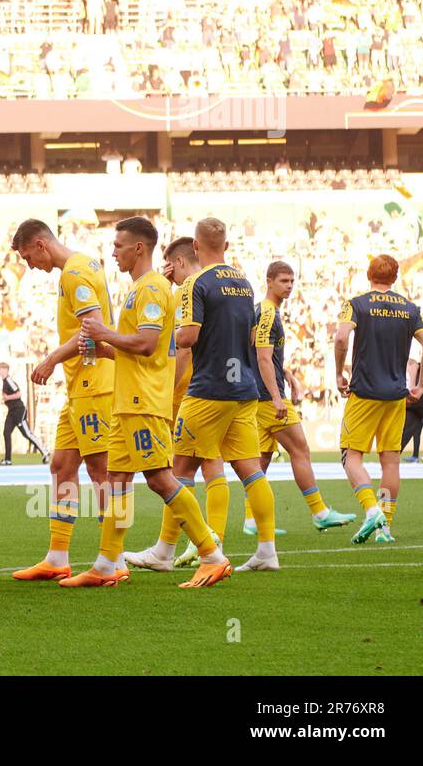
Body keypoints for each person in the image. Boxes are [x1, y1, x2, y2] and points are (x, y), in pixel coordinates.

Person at [63, 216, 230, 587]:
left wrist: (105, 332)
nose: (113, 252)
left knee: (158, 478)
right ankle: (107, 563)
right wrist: (104, 347)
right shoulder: (142, 288)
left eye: (119, 245)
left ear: (139, 248)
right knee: (116, 478)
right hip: (128, 400)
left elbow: (148, 343)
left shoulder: (152, 289)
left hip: (144, 401)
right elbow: (136, 350)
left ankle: (211, 555)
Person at [172, 217, 278, 575]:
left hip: (208, 389)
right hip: (244, 389)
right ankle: (267, 550)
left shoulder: (195, 283)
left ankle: (166, 549)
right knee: (251, 470)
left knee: (179, 470)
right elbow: (250, 336)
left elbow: (187, 337)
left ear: (196, 248)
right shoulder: (244, 283)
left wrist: (160, 338)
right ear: (227, 246)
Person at [8, 219, 113, 583]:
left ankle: (111, 562)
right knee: (61, 466)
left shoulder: (74, 273)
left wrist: (51, 358)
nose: (29, 265)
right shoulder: (81, 265)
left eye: (27, 256)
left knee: (103, 472)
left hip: (95, 385)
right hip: (80, 387)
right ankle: (57, 557)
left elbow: (94, 327)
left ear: (40, 244)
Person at [127, 236, 232, 570]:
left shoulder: (188, 293)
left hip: (186, 393)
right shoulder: (221, 288)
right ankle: (210, 539)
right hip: (222, 388)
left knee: (173, 471)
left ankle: (174, 549)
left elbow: (184, 347)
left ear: (178, 262)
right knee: (212, 465)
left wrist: (165, 388)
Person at [247, 262, 356, 534]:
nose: (289, 286)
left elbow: (260, 352)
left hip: (257, 394)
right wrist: (276, 396)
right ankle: (319, 512)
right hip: (265, 396)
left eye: (292, 281)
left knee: (262, 458)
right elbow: (261, 356)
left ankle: (252, 520)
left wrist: (288, 375)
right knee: (300, 449)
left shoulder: (262, 312)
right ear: (269, 281)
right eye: (284, 280)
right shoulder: (268, 314)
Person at [334, 254, 423, 543]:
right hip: (396, 395)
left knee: (351, 456)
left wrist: (339, 374)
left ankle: (370, 510)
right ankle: (385, 528)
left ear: (369, 275)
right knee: (390, 461)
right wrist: (421, 385)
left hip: (364, 392)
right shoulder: (410, 308)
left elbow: (341, 338)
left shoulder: (356, 303)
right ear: (395, 277)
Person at [0, 362, 47, 464]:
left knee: (27, 433)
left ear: (6, 370)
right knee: (6, 433)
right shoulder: (4, 382)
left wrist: (7, 397)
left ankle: (45, 451)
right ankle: (7, 459)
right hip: (11, 412)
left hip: (18, 411)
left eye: (1, 369)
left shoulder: (9, 380)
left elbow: (18, 394)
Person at [400, 357, 423, 461]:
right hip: (420, 398)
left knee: (406, 432)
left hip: (414, 401)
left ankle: (391, 459)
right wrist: (413, 388)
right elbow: (413, 365)